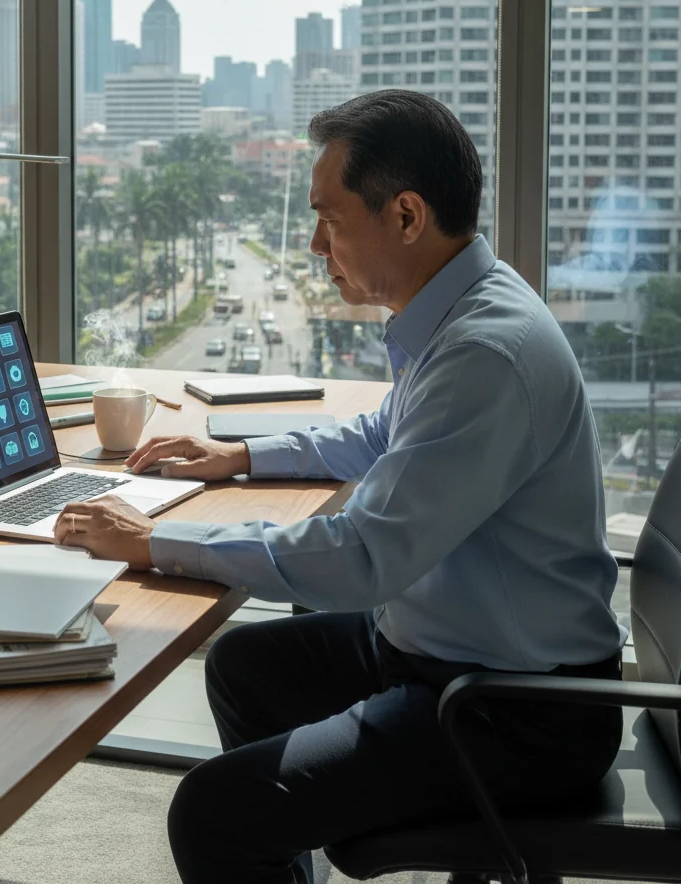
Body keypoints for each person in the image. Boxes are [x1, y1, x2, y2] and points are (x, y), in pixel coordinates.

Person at [53, 90, 627, 884]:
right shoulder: (464, 313)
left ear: (406, 216)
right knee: (245, 668)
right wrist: (239, 456)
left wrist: (156, 542)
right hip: (452, 653)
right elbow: (381, 433)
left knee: (212, 811)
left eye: (329, 217)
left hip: (515, 711)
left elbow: (364, 559)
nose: (316, 242)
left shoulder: (485, 354)